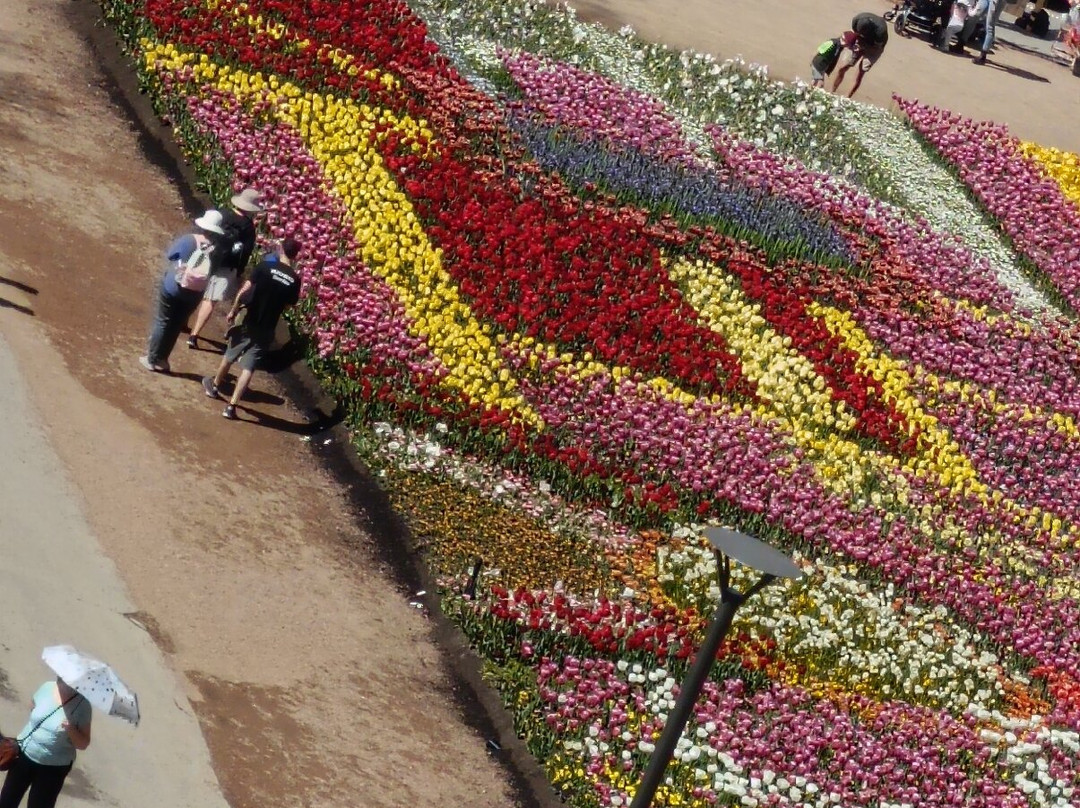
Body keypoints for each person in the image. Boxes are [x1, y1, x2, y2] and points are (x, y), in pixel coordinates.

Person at [202, 238, 302, 420]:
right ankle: (231, 406)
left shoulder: (264, 268)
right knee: (248, 367)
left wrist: (233, 311)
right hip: (267, 327)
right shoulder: (295, 280)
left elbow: (244, 291)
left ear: (281, 249)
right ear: (296, 255)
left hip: (249, 320)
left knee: (230, 354)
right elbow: (289, 306)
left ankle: (215, 386)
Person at [140, 210, 225, 372]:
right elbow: (212, 272)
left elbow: (171, 255)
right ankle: (163, 360)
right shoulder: (218, 251)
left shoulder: (189, 240)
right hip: (194, 294)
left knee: (163, 321)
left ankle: (152, 359)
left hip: (173, 287)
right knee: (176, 325)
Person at [186, 188, 263, 350]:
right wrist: (239, 272)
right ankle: (194, 335)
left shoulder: (222, 214)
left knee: (195, 290)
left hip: (208, 257)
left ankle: (182, 321)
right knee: (210, 300)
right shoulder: (248, 228)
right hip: (227, 266)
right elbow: (245, 253)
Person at [0, 678, 91, 808]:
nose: (64, 685)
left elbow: (83, 744)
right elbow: (32, 705)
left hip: (53, 768)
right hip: (24, 754)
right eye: (62, 680)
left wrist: (71, 729)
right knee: (7, 801)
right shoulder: (47, 687)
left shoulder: (83, 706)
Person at [832, 12, 889, 98]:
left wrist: (862, 47)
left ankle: (846, 98)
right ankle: (832, 92)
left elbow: (877, 45)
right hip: (858, 39)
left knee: (860, 71)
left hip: (874, 47)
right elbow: (852, 34)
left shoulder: (880, 31)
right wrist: (854, 44)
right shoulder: (857, 19)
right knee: (843, 66)